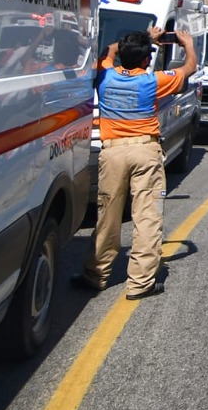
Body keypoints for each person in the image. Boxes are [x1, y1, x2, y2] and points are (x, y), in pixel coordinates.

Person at [79, 25, 196, 299]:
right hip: (145, 151)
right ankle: (141, 283)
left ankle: (96, 274)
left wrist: (142, 39)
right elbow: (189, 68)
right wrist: (187, 44)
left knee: (107, 214)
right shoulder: (152, 81)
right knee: (146, 216)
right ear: (146, 59)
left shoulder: (104, 74)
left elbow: (109, 50)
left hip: (112, 152)